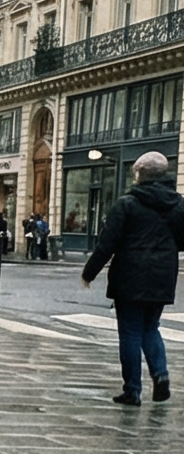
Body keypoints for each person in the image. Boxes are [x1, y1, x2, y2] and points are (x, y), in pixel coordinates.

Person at [81, 150, 184, 405]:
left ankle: (132, 390)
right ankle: (161, 376)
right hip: (162, 275)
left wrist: (89, 272)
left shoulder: (127, 203)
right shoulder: (179, 204)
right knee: (151, 328)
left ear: (139, 175)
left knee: (129, 333)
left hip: (130, 275)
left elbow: (108, 243)